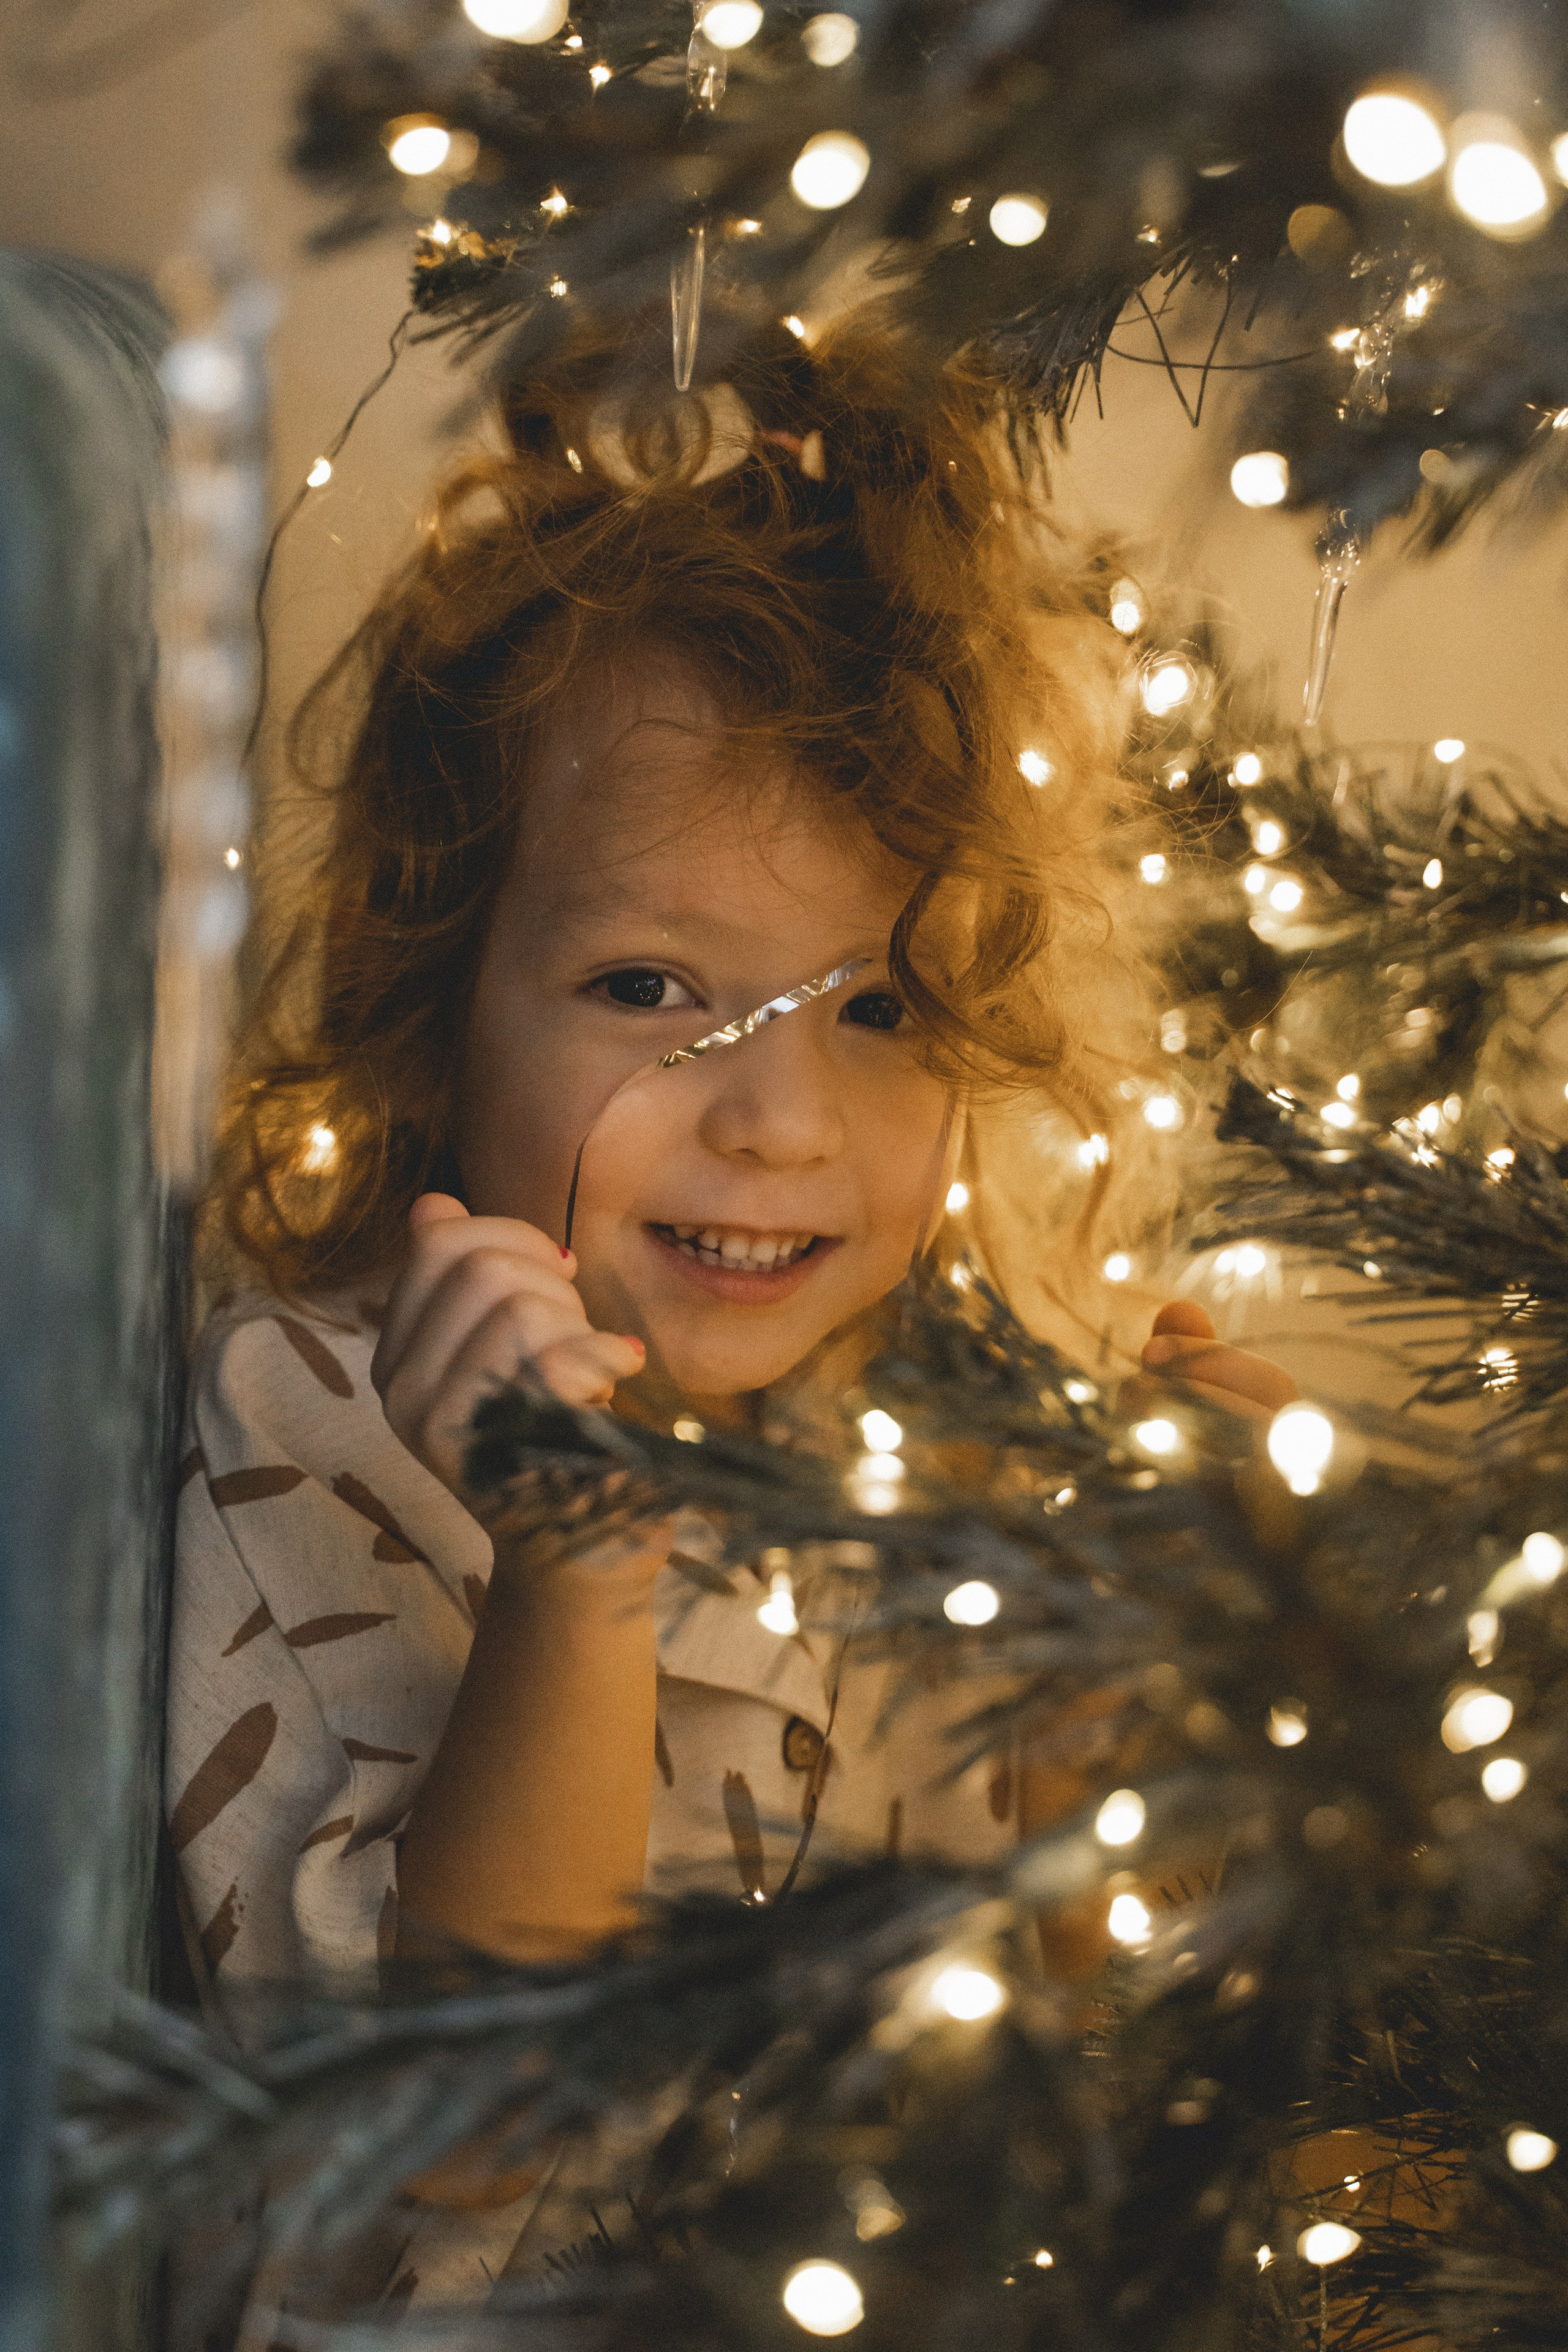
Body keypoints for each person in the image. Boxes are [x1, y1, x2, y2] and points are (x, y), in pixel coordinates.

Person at [166, 321, 1294, 2307]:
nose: (776, 1121)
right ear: (426, 980)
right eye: (651, 989)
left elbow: (1099, 2003)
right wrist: (572, 1581)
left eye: (878, 1011)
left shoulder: (948, 1420)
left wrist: (1176, 1664)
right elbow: (467, 2142)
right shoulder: (312, 1407)